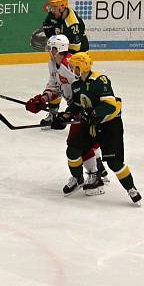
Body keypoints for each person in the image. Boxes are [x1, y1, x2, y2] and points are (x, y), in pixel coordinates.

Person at [51, 52, 141, 204]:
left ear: (83, 66)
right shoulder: (76, 84)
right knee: (72, 150)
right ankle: (78, 178)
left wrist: (91, 112)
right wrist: (64, 117)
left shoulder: (100, 80)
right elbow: (76, 105)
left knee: (114, 163)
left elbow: (110, 105)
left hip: (109, 125)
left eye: (75, 67)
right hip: (91, 125)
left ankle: (131, 188)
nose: (72, 69)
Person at [25, 35, 107, 190]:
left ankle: (90, 175)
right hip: (75, 107)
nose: (49, 51)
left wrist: (72, 112)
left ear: (57, 49)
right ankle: (96, 171)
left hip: (86, 108)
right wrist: (42, 99)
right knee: (81, 144)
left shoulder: (71, 65)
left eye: (51, 48)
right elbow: (55, 86)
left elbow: (84, 86)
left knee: (77, 144)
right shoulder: (52, 63)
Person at [39, 0, 88, 126]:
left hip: (77, 54)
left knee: (70, 83)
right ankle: (53, 113)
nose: (51, 10)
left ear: (62, 7)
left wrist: (62, 60)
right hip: (60, 49)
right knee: (56, 79)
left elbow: (75, 49)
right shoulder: (53, 14)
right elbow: (47, 27)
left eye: (54, 7)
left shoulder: (72, 24)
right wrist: (54, 47)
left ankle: (75, 110)